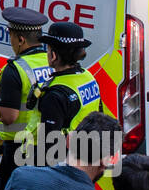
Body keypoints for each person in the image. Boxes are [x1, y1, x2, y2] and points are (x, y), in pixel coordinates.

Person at [17, 21, 109, 170]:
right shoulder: (88, 76)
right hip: (81, 159)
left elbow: (48, 147)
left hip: (56, 166)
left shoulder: (54, 94)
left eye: (48, 49)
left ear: (53, 55)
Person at [0, 7, 51, 190]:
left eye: (11, 36)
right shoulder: (53, 61)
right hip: (46, 148)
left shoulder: (15, 69)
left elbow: (9, 117)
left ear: (20, 39)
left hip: (18, 151)